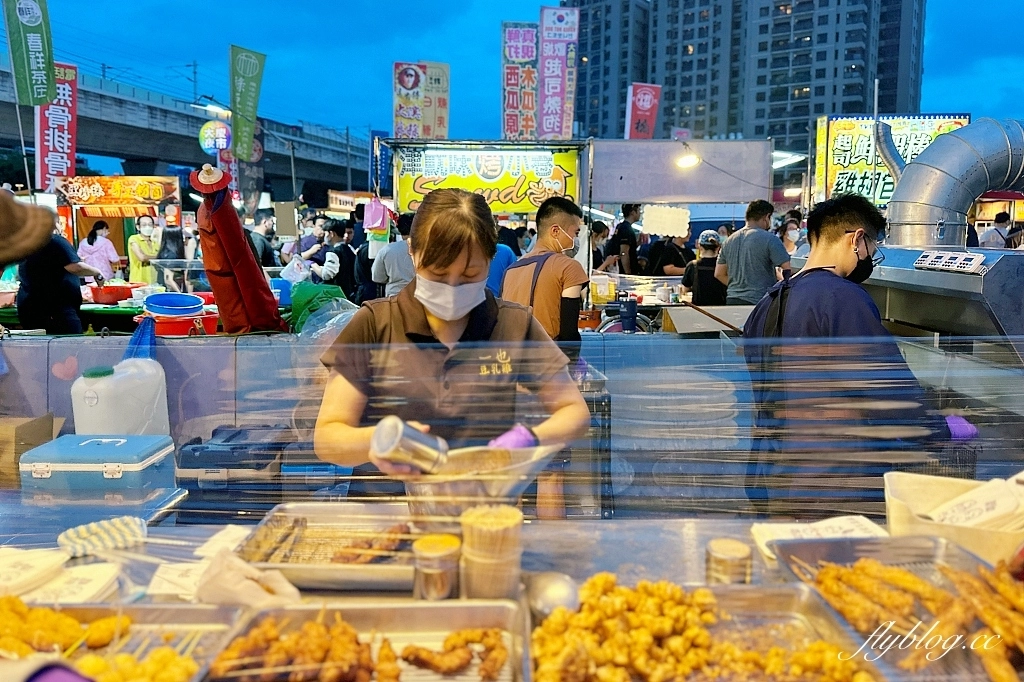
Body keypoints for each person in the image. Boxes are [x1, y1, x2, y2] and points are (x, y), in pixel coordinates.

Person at [314, 188, 591, 516]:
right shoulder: (376, 323)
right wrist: (377, 441)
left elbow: (574, 412)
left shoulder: (513, 324)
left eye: (471, 274)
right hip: (387, 521)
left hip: (485, 519)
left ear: (492, 259)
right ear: (413, 253)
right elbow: (328, 436)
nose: (453, 286)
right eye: (439, 273)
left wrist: (527, 439)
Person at [741, 194, 974, 509]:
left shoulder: (766, 304)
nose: (870, 258)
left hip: (777, 477)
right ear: (857, 239)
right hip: (838, 482)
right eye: (873, 248)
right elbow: (887, 392)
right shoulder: (843, 298)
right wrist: (940, 429)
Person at [501, 197, 589, 345]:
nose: (576, 239)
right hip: (549, 361)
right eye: (576, 233)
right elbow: (569, 334)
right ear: (555, 231)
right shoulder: (568, 267)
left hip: (511, 361)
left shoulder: (511, 270)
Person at [17, 230, 104, 334]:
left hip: (29, 307)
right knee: (71, 346)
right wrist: (97, 273)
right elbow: (75, 267)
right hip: (56, 308)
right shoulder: (54, 240)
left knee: (39, 347)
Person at [714, 200, 791, 305]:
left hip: (732, 299)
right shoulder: (770, 239)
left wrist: (739, 287)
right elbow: (787, 269)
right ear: (766, 217)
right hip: (760, 302)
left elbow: (719, 274)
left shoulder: (729, 241)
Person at [372, 213, 416, 296]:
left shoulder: (387, 250)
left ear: (399, 229)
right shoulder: (429, 250)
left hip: (394, 298)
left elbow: (377, 277)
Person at [312, 219, 358, 299]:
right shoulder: (349, 249)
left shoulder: (333, 252)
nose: (325, 236)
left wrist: (314, 266)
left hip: (336, 296)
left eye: (326, 233)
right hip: (349, 293)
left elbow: (327, 274)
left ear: (332, 234)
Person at [682, 230, 728, 306]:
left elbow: (685, 289)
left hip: (699, 310)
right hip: (721, 309)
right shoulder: (724, 265)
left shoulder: (692, 266)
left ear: (699, 246)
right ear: (718, 247)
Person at [608, 204, 641, 275]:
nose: (640, 213)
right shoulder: (626, 229)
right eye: (638, 210)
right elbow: (624, 252)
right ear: (632, 212)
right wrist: (627, 273)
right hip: (623, 271)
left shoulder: (620, 226)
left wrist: (638, 243)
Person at [127, 215, 160, 284]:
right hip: (138, 281)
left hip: (154, 282)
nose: (147, 227)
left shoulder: (155, 243)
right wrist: (158, 257)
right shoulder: (134, 239)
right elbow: (142, 258)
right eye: (144, 225)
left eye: (150, 224)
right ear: (138, 227)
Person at [156, 224, 187, 292]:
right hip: (169, 293)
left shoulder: (165, 252)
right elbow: (168, 280)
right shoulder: (171, 255)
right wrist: (181, 295)